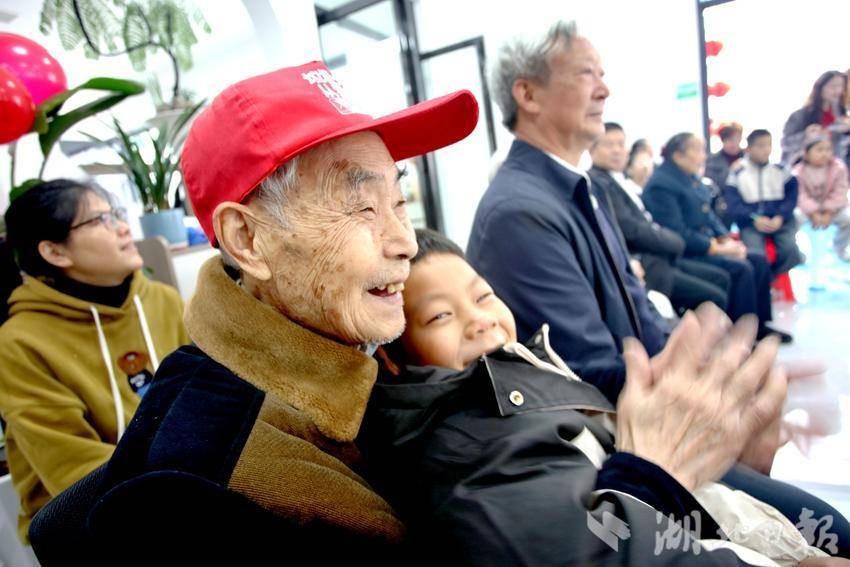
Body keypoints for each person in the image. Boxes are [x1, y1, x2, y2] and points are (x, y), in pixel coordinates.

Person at [43, 62, 479, 563]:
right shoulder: (209, 499)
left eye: (398, 202)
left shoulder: (361, 349)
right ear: (248, 240)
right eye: (362, 208)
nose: (405, 241)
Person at [362, 227, 850, 565]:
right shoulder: (461, 444)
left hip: (675, 502)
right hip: (653, 516)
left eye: (483, 296)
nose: (480, 320)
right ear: (394, 358)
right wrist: (648, 473)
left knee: (831, 526)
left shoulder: (522, 364)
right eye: (440, 316)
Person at [467, 20, 668, 404]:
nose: (604, 90)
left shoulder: (582, 187)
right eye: (586, 73)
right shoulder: (519, 214)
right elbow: (586, 371)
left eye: (602, 75)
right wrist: (692, 378)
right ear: (528, 94)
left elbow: (635, 305)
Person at [0, 179, 190, 541]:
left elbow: (210, 403)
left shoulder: (162, 301)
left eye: (117, 214)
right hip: (86, 527)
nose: (123, 227)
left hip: (190, 492)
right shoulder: (19, 343)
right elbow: (71, 472)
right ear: (55, 252)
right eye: (101, 220)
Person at [642, 133, 792, 343]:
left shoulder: (688, 176)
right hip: (687, 252)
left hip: (706, 244)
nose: (703, 156)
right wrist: (716, 247)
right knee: (741, 269)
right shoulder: (662, 184)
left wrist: (725, 238)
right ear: (678, 155)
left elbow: (708, 215)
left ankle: (759, 325)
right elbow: (676, 232)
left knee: (758, 259)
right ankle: (741, 334)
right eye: (697, 151)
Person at [589, 122, 730, 313]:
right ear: (592, 148)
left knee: (721, 278)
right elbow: (632, 229)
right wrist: (675, 241)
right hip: (648, 263)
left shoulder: (620, 180)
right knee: (715, 294)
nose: (617, 150)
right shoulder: (600, 183)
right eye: (608, 144)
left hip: (662, 256)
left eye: (621, 144)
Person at [725, 129, 803, 276]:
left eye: (769, 145)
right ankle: (764, 280)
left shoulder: (781, 170)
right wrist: (754, 218)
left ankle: (771, 278)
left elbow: (791, 198)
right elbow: (733, 203)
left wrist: (780, 216)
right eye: (760, 146)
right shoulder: (738, 172)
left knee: (791, 251)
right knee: (755, 255)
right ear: (748, 149)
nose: (766, 150)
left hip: (780, 221)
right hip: (751, 222)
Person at [793, 134, 850, 261]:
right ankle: (797, 253)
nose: (825, 154)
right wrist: (814, 212)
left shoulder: (839, 168)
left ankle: (840, 248)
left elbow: (840, 191)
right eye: (819, 150)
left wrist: (829, 211)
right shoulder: (798, 171)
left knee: (848, 217)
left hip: (834, 210)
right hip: (807, 211)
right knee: (794, 217)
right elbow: (800, 195)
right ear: (806, 153)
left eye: (828, 149)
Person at [781, 71, 850, 169]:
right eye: (833, 86)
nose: (837, 91)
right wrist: (806, 136)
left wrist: (847, 131)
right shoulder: (801, 115)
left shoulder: (842, 116)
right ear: (820, 87)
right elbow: (785, 144)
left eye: (841, 86)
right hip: (805, 171)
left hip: (835, 172)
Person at [705, 122, 744, 225]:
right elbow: (712, 186)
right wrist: (731, 171)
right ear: (723, 140)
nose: (734, 143)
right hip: (724, 204)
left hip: (746, 202)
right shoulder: (712, 160)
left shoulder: (748, 158)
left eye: (737, 139)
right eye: (730, 140)